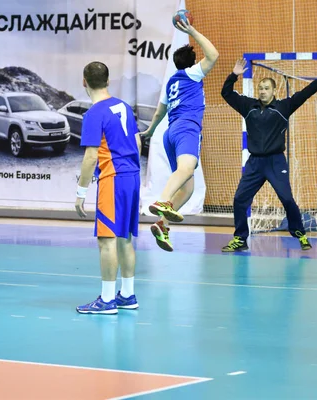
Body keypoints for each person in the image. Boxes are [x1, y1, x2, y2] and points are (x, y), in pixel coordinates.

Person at [220, 58, 317, 252]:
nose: (262, 91)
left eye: (266, 88)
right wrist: (234, 75)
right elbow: (225, 93)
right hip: (254, 164)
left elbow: (306, 93)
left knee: (287, 199)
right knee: (239, 200)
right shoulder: (248, 106)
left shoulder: (284, 107)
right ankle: (240, 239)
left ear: (274, 91)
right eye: (260, 88)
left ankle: (300, 234)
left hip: (276, 162)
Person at [140, 18, 219, 252]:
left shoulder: (171, 82)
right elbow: (213, 55)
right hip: (186, 128)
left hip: (169, 133)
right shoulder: (192, 74)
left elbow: (158, 113)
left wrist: (149, 131)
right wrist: (192, 30)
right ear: (193, 63)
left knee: (188, 188)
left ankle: (162, 225)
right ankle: (162, 200)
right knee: (186, 169)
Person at [74, 61, 141, 315]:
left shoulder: (94, 113)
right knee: (125, 238)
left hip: (113, 178)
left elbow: (91, 157)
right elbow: (137, 142)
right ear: (108, 80)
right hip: (132, 176)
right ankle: (127, 294)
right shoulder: (122, 106)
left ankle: (107, 300)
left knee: (106, 241)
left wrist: (80, 193)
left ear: (84, 81)